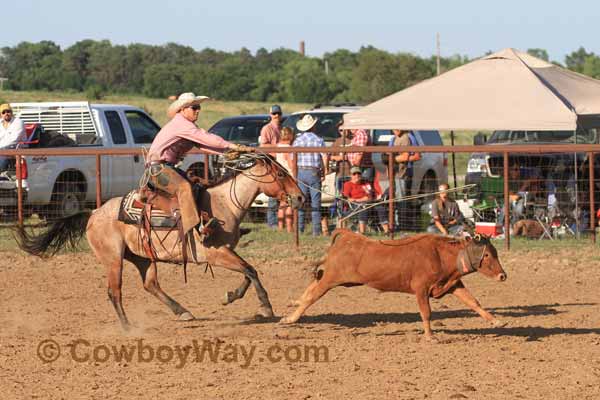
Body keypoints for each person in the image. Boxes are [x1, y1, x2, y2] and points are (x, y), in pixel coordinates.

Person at [146, 92, 250, 235]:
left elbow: (202, 144)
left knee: (198, 188)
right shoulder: (181, 124)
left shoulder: (186, 126)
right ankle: (195, 227)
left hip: (165, 168)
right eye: (194, 107)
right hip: (158, 169)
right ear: (183, 109)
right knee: (184, 187)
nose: (198, 110)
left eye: (198, 107)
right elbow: (205, 138)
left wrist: (226, 151)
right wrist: (231, 146)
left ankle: (207, 223)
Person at [293, 114, 328, 236]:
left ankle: (299, 229)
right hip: (314, 171)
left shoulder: (298, 140)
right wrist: (325, 170)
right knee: (316, 202)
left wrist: (294, 173)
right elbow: (324, 156)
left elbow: (293, 158)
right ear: (313, 126)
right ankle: (316, 230)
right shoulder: (319, 140)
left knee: (300, 201)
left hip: (301, 171)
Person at [342, 166, 389, 234]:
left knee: (381, 208)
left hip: (369, 203)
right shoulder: (347, 184)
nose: (357, 175)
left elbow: (370, 195)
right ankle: (362, 232)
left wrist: (372, 198)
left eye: (359, 174)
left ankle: (387, 232)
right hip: (356, 205)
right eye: (354, 174)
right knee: (363, 208)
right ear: (350, 175)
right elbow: (346, 197)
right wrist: (358, 200)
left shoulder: (366, 183)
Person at [390, 129, 421, 228]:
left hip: (405, 172)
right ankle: (400, 223)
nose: (396, 130)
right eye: (393, 128)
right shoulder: (393, 139)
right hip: (394, 173)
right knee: (397, 197)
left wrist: (396, 159)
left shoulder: (409, 138)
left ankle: (403, 224)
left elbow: (417, 156)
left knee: (402, 198)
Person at [260, 105, 283, 229]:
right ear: (270, 115)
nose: (277, 116)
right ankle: (272, 222)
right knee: (274, 193)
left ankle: (280, 221)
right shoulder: (267, 129)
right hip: (272, 162)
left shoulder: (281, 128)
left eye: (278, 113)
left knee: (282, 191)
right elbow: (263, 146)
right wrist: (278, 149)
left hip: (280, 163)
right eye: (274, 114)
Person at [275, 127, 296, 232]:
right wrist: (295, 173)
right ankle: (289, 227)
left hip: (280, 177)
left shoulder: (278, 146)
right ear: (290, 135)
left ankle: (280, 226)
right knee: (289, 203)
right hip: (289, 176)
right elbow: (291, 164)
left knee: (282, 203)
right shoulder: (288, 148)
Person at [0, 104, 26, 170]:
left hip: (18, 149)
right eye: (3, 112)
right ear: (1, 114)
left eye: (8, 111)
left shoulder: (18, 122)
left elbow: (14, 140)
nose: (6, 114)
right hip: (3, 149)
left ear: (11, 113)